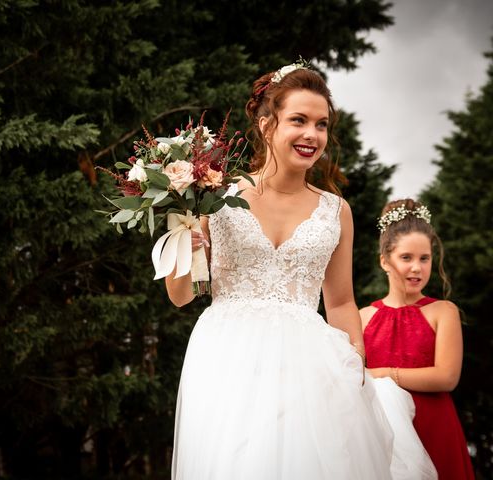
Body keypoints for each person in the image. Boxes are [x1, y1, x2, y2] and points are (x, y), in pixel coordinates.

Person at [165, 62, 436, 479]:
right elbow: (182, 294)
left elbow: (342, 302)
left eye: (322, 124)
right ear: (267, 124)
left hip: (307, 366)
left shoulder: (336, 212)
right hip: (225, 357)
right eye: (299, 120)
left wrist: (356, 368)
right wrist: (185, 237)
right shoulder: (216, 195)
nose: (312, 134)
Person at [360, 199, 475, 480]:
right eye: (406, 258)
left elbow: (446, 376)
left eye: (424, 258)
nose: (417, 268)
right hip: (383, 430)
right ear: (385, 261)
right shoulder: (363, 316)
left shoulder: (442, 311)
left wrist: (384, 374)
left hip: (434, 427)